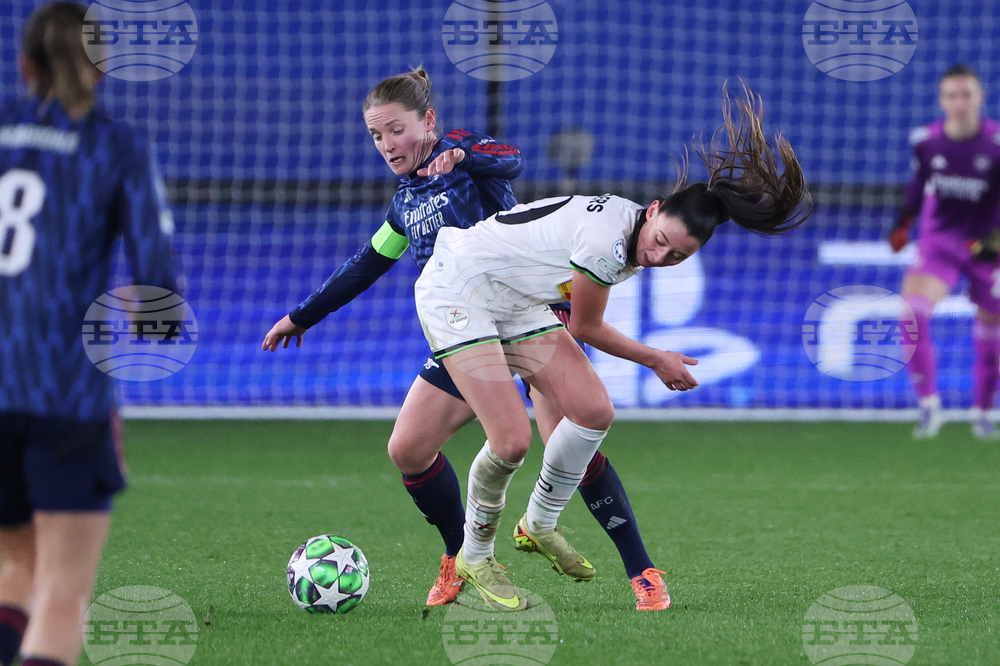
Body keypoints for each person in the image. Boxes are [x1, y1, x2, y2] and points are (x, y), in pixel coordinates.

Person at [263, 69, 672, 611]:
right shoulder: (404, 205)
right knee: (408, 450)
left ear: (428, 120)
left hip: (522, 315)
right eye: (377, 135)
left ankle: (641, 570)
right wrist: (303, 315)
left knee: (569, 436)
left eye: (396, 130)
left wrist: (459, 152)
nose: (387, 144)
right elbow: (368, 263)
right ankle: (460, 555)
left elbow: (509, 159)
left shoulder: (467, 159)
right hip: (463, 328)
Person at [414, 84, 811, 611]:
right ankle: (475, 555)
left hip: (513, 299)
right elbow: (585, 326)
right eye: (661, 240)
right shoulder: (607, 240)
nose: (660, 256)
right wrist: (657, 359)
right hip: (458, 289)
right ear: (653, 210)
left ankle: (538, 524)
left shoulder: (633, 228)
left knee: (594, 410)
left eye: (677, 256)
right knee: (510, 440)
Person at [0, 4, 179, 666]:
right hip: (65, 393)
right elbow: (158, 295)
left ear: (25, 66)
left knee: (14, 565)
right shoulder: (116, 146)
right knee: (62, 591)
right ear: (102, 69)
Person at [889, 64, 1000, 440]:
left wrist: (993, 243)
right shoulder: (927, 142)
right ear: (942, 101)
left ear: (980, 98)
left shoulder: (996, 145)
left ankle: (983, 413)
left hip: (989, 247)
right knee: (911, 314)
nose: (960, 103)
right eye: (952, 96)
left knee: (992, 332)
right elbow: (918, 184)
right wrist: (902, 223)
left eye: (966, 95)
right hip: (941, 245)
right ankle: (929, 407)